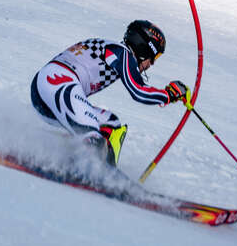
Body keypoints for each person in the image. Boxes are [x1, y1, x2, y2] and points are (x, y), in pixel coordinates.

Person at [30, 20, 189, 167]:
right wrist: (169, 94)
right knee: (93, 140)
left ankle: (89, 162)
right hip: (58, 82)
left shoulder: (114, 51)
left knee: (111, 124)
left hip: (48, 91)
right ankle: (83, 167)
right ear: (145, 48)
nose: (151, 64)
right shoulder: (122, 53)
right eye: (154, 57)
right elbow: (139, 92)